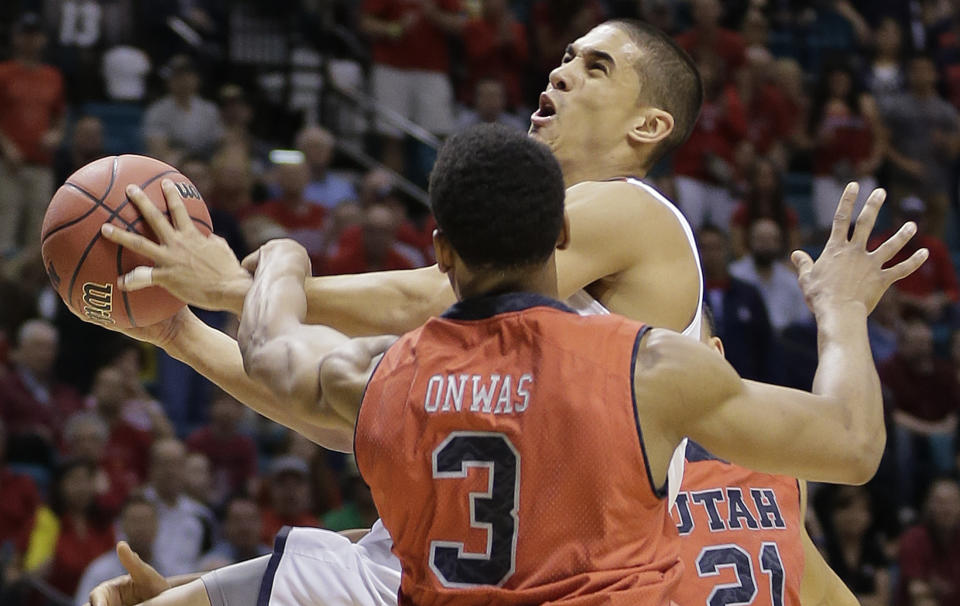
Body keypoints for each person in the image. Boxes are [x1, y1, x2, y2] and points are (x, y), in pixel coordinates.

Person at [84, 18, 904, 606]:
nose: (559, 74)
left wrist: (238, 286)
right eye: (562, 58)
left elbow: (411, 305)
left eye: (594, 67)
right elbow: (349, 417)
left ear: (649, 125)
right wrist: (178, 329)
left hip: (554, 558)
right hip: (470, 553)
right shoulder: (597, 364)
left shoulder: (631, 210)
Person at [673, 309, 861, 606]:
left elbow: (824, 592)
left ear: (715, 353)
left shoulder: (776, 464)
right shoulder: (618, 475)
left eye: (678, 338)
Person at [0, 12, 66, 257]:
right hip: (7, 165)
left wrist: (56, 134)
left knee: (38, 234)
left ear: (43, 40)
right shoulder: (4, 72)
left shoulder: (53, 76)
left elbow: (60, 115)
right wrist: (5, 146)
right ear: (16, 38)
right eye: (25, 35)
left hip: (41, 163)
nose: (30, 41)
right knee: (5, 226)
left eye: (35, 35)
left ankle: (33, 293)